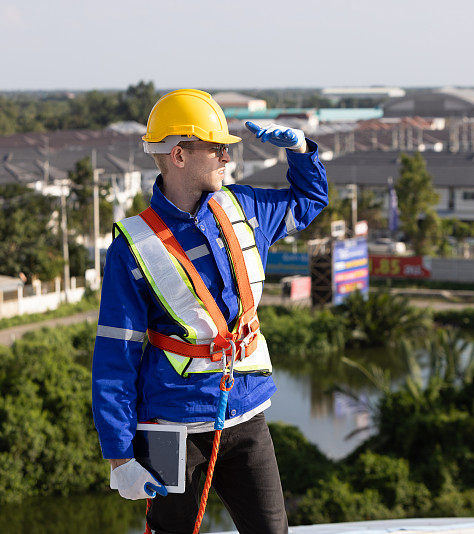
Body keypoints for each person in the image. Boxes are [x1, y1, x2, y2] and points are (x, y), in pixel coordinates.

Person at [92, 89, 328, 534]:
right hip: (172, 426)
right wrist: (120, 455)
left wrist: (300, 151)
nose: (227, 156)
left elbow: (308, 202)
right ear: (178, 154)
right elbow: (114, 357)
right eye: (216, 147)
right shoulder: (135, 246)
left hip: (246, 413)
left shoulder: (245, 208)